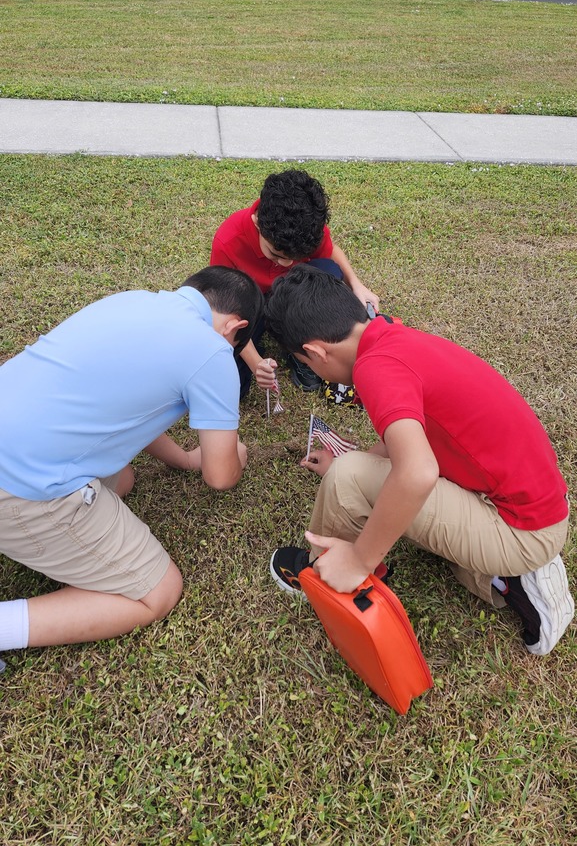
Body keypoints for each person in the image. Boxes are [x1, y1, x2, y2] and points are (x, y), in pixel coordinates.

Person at [266, 265, 574, 656]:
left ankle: (325, 575)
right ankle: (505, 579)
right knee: (355, 470)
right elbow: (420, 443)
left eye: (307, 364)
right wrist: (362, 462)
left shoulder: (375, 369)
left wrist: (360, 558)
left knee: (347, 478)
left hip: (521, 530)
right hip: (532, 506)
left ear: (314, 352)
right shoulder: (391, 334)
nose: (314, 371)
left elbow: (417, 471)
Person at [0, 266, 263, 666]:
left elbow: (131, 411)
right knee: (158, 591)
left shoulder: (130, 301)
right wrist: (235, 458)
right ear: (235, 327)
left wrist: (186, 458)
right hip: (22, 484)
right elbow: (221, 476)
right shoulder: (211, 351)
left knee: (122, 479)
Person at [210, 168, 379, 397]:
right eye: (275, 254)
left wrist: (357, 285)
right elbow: (224, 313)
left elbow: (330, 252)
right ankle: (272, 339)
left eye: (295, 256)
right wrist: (255, 362)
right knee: (233, 386)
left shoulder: (305, 226)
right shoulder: (228, 242)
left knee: (328, 271)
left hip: (292, 293)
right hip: (250, 303)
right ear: (257, 223)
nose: (286, 262)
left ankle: (298, 349)